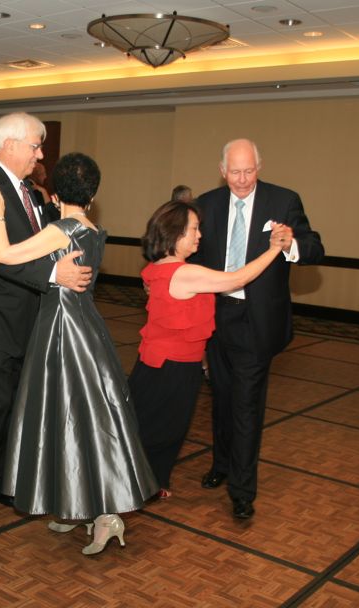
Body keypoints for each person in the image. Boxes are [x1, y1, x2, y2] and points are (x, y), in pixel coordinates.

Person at [0, 152, 157, 555]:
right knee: (81, 418)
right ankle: (77, 504)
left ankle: (103, 513)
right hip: (89, 327)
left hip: (62, 331)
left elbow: (4, 255)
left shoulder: (62, 229)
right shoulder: (94, 229)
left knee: (69, 418)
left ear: (58, 193)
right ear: (93, 194)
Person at [0, 112, 91, 527]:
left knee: (12, 408)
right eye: (35, 145)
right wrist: (52, 274)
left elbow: (33, 246)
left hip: (20, 319)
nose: (40, 153)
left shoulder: (23, 190)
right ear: (9, 145)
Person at [193, 138, 324, 520]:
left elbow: (316, 247)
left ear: (259, 167)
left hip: (256, 321)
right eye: (235, 172)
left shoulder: (283, 200)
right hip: (216, 318)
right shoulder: (208, 203)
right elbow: (196, 254)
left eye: (249, 170)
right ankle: (221, 464)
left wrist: (291, 245)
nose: (242, 179)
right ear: (222, 171)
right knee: (221, 397)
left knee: (246, 406)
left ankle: (242, 489)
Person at [132, 200, 293, 499]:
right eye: (194, 229)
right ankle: (125, 490)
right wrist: (273, 249)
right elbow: (237, 279)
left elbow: (182, 322)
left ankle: (146, 483)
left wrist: (204, 361)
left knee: (156, 430)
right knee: (157, 432)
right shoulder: (184, 273)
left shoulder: (157, 268)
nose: (199, 236)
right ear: (175, 232)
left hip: (162, 364)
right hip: (170, 369)